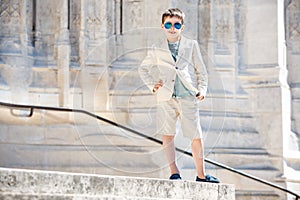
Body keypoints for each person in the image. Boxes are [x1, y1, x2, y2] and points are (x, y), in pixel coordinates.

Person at [138, 8, 219, 183]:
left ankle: (201, 175)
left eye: (176, 24)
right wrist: (153, 85)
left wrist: (202, 90)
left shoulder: (191, 45)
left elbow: (201, 71)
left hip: (188, 96)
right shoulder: (157, 48)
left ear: (182, 26)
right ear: (162, 26)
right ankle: (174, 172)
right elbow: (143, 68)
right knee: (167, 135)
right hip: (166, 97)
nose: (172, 28)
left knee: (195, 135)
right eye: (168, 24)